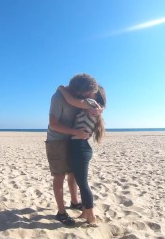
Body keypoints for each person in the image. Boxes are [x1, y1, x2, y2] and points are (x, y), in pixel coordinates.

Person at [45, 73, 102, 226]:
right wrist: (75, 132)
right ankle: (61, 212)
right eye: (87, 93)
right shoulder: (58, 97)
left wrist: (98, 109)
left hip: (71, 140)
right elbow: (53, 124)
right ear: (80, 91)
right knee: (59, 176)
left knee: (72, 174)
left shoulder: (77, 99)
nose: (89, 95)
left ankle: (74, 202)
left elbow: (90, 105)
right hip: (56, 141)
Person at [58, 85, 106, 224]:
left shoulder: (91, 103)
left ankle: (90, 215)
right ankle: (86, 212)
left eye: (91, 91)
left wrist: (61, 89)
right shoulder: (94, 107)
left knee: (83, 184)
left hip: (80, 148)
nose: (86, 92)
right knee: (81, 182)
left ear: (95, 94)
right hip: (80, 147)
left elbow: (71, 100)